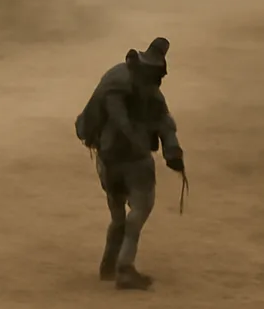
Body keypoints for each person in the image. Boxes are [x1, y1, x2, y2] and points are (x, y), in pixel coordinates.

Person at [75, 37, 184, 290]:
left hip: (107, 160)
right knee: (140, 208)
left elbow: (160, 123)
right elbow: (162, 123)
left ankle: (109, 265)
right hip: (132, 161)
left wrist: (172, 150)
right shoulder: (147, 95)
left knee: (118, 215)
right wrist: (171, 151)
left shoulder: (115, 81)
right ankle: (124, 266)